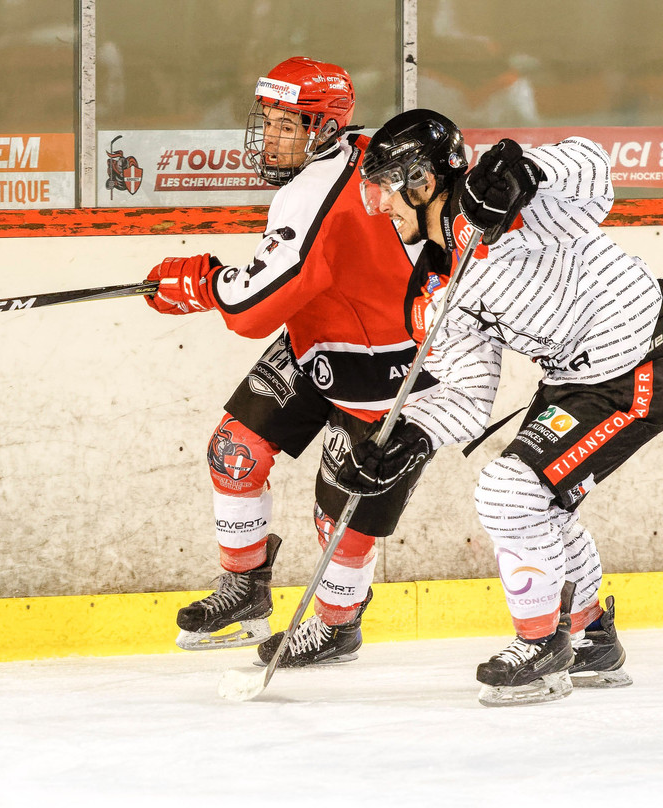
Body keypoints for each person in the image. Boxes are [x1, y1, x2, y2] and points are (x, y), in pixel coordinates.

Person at [143, 57, 445, 666]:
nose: (271, 137)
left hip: (390, 366)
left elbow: (253, 309)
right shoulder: (360, 154)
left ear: (326, 127)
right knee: (235, 451)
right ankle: (245, 589)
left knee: (344, 514)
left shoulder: (310, 193)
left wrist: (201, 284)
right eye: (269, 121)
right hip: (316, 344)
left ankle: (336, 625)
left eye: (288, 124)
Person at [351, 108, 653, 705]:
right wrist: (411, 433)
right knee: (540, 508)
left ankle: (541, 647)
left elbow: (595, 175)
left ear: (422, 180)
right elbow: (468, 391)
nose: (379, 204)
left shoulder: (507, 201)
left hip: (643, 355)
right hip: (577, 381)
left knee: (508, 491)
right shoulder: (433, 289)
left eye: (385, 186)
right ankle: (590, 637)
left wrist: (528, 169)